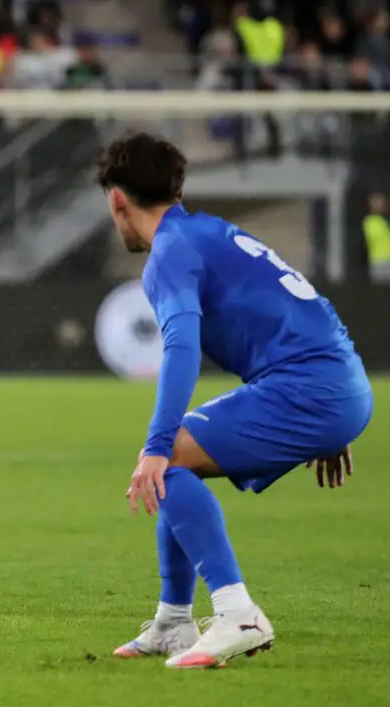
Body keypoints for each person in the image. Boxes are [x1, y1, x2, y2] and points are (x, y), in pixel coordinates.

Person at [96, 132, 373, 668]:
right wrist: (336, 412)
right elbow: (307, 301)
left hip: (310, 387)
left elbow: (180, 348)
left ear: (117, 200)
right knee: (182, 463)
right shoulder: (210, 232)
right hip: (336, 378)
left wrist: (154, 445)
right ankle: (174, 621)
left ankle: (236, 612)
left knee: (170, 457)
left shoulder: (170, 255)